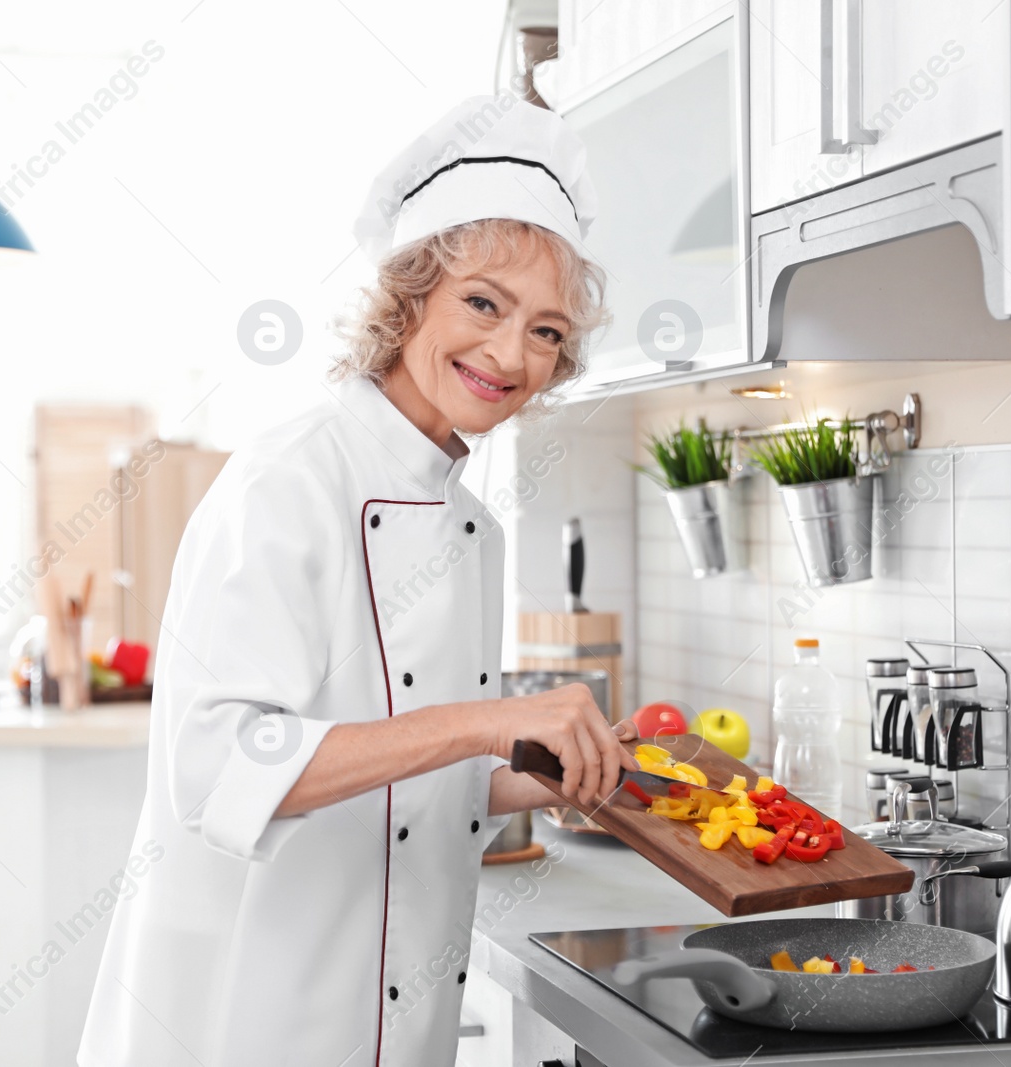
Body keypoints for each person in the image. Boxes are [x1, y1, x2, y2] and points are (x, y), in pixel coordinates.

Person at [78, 94, 634, 1067]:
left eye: (546, 331)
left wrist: (555, 767)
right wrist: (486, 721)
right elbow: (216, 769)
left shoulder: (472, 523)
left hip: (394, 1007)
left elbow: (410, 774)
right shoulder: (288, 479)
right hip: (251, 1003)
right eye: (482, 303)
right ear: (408, 294)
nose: (510, 354)